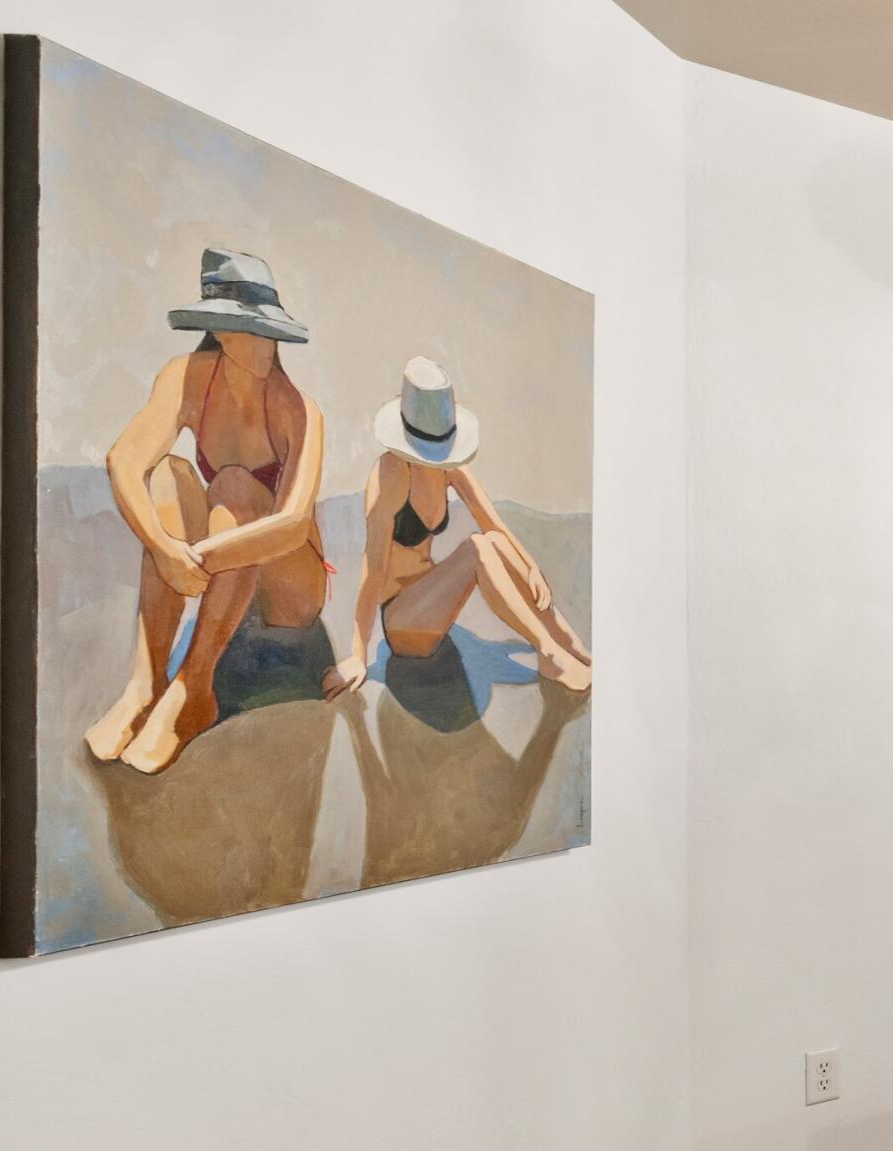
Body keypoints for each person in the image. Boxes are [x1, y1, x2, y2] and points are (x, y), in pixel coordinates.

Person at [85, 249, 330, 775]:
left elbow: (290, 526)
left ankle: (194, 688)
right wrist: (161, 546)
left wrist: (191, 556)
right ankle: (145, 683)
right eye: (248, 329)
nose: (264, 344)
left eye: (267, 331)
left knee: (236, 487)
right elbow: (123, 460)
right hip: (226, 565)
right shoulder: (188, 376)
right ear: (217, 330)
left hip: (290, 588)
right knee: (172, 476)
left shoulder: (298, 408)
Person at [327, 356, 591, 700]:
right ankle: (547, 652)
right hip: (404, 623)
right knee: (479, 548)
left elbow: (495, 527)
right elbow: (372, 569)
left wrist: (531, 568)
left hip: (433, 608)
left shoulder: (450, 468)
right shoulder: (389, 475)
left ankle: (566, 640)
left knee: (491, 542)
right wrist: (358, 656)